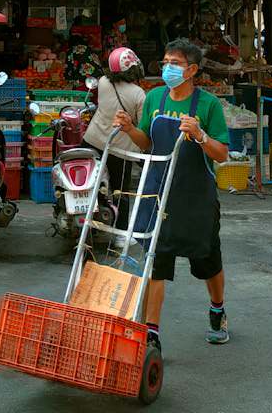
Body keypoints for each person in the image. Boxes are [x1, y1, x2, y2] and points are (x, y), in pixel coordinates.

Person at [115, 39, 231, 350]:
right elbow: (148, 143)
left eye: (175, 63)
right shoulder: (154, 98)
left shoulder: (208, 105)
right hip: (157, 194)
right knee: (157, 263)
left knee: (207, 261)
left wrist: (200, 135)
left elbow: (221, 155)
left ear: (192, 69)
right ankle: (151, 333)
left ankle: (217, 309)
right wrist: (129, 129)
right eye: (165, 62)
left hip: (195, 198)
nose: (168, 68)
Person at [84, 47, 147, 216]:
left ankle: (92, 219)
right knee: (121, 191)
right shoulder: (138, 94)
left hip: (93, 140)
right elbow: (142, 125)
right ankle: (120, 233)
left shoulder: (104, 81)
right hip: (119, 149)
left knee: (92, 185)